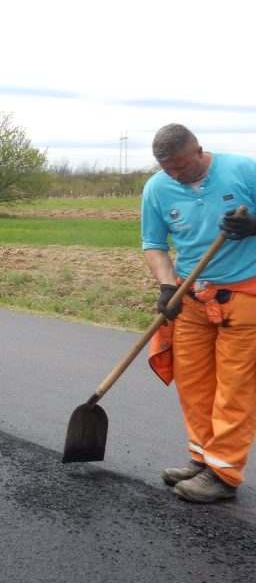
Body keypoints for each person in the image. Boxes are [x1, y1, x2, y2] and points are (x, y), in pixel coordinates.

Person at [141, 123, 256, 504]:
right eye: (167, 169)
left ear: (199, 151)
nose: (175, 176)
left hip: (245, 296)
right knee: (194, 385)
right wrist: (166, 286)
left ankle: (223, 474)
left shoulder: (243, 170)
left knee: (235, 388)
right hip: (191, 296)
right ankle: (203, 459)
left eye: (181, 167)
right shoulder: (157, 188)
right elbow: (154, 244)